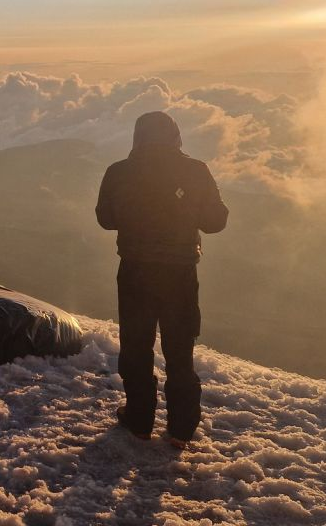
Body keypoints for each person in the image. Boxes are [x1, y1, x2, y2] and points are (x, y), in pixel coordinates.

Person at [95, 111, 228, 450]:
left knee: (137, 346)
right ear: (176, 136)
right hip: (180, 273)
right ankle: (181, 431)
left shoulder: (119, 171)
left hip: (135, 271)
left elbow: (106, 219)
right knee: (180, 349)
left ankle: (140, 421)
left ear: (138, 137)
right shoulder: (196, 171)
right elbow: (215, 221)